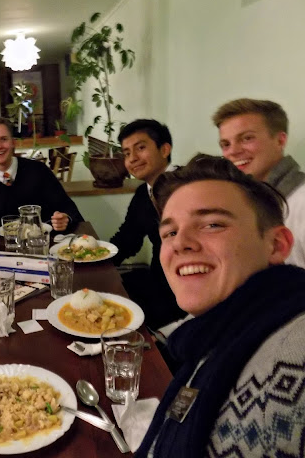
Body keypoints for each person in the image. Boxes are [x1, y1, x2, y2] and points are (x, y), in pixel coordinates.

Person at [135, 154, 305, 458]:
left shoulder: (295, 354)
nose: (180, 243)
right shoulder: (208, 339)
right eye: (170, 232)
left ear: (277, 245)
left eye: (212, 224)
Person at [110, 119, 186, 329]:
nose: (132, 158)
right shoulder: (143, 194)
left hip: (183, 290)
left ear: (165, 149)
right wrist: (97, 262)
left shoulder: (188, 186)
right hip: (158, 280)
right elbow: (128, 239)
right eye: (126, 153)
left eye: (140, 148)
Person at [213, 98, 305, 268]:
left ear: (280, 140)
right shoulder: (242, 206)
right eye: (225, 144)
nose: (233, 151)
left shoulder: (301, 202)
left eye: (247, 138)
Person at [0, 117, 83, 232]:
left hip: (44, 241)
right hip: (2, 243)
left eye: (4, 139)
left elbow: (68, 209)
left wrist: (64, 219)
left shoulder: (40, 171)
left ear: (13, 142)